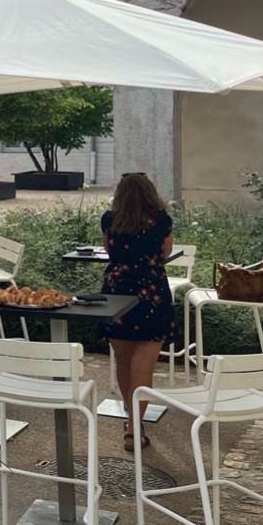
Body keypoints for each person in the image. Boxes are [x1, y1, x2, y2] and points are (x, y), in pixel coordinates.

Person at [101, 172, 175, 453]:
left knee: (122, 360)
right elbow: (165, 254)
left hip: (117, 292)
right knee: (144, 366)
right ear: (150, 193)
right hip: (152, 294)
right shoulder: (162, 221)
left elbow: (110, 252)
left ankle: (129, 416)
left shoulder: (110, 220)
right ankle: (134, 426)